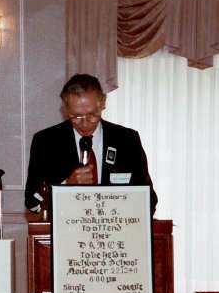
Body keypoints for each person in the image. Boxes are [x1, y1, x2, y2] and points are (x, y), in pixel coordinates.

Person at [25, 73, 157, 214]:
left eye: (92, 115)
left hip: (116, 225)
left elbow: (149, 199)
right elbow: (32, 202)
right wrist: (66, 186)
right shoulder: (46, 141)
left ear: (103, 103)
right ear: (66, 109)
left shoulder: (127, 140)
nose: (84, 123)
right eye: (76, 116)